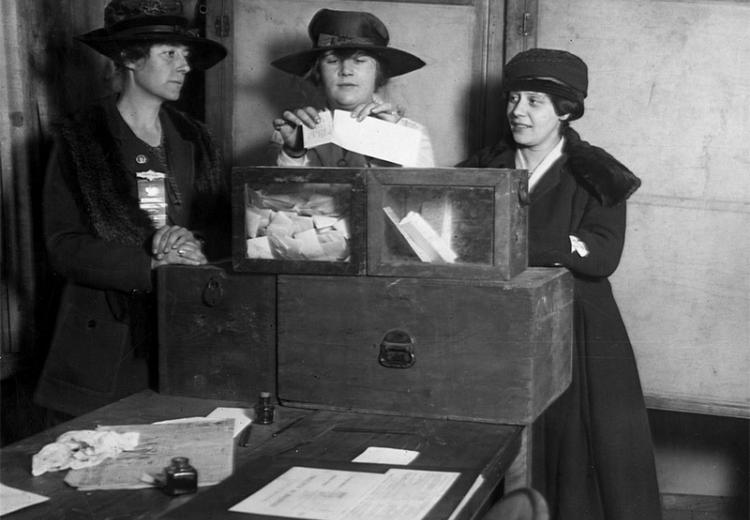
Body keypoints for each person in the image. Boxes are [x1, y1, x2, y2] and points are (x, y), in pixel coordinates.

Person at [460, 49, 662, 520]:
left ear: (566, 110)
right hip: (499, 323)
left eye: (534, 101)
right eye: (514, 98)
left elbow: (602, 255)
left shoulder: (599, 172)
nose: (517, 111)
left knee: (580, 453)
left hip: (578, 328)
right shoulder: (481, 167)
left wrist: (507, 240)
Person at [34, 0, 229, 418]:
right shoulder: (80, 139)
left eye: (186, 55)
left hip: (185, 331)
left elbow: (220, 227)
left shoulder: (195, 137)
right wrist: (150, 265)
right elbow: (62, 245)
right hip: (108, 342)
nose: (185, 66)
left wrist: (190, 244)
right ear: (128, 58)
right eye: (169, 53)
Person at [269, 8, 435, 167]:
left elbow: (423, 193)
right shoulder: (291, 134)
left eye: (360, 61)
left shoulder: (410, 134)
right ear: (318, 72)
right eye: (332, 61)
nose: (346, 71)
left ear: (379, 73)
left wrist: (390, 143)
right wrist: (293, 153)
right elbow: (276, 195)